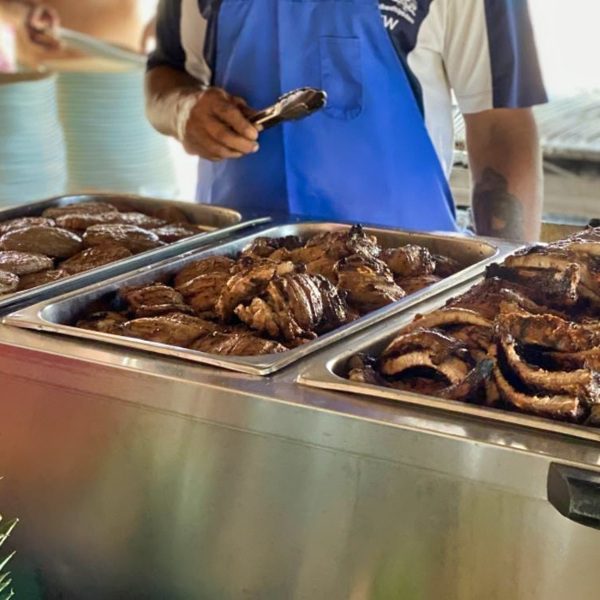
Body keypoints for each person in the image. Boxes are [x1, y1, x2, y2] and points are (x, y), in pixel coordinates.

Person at [145, 0, 547, 241]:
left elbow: (500, 125)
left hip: (407, 286)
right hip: (229, 280)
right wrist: (183, 111)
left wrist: (508, 289)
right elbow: (164, 71)